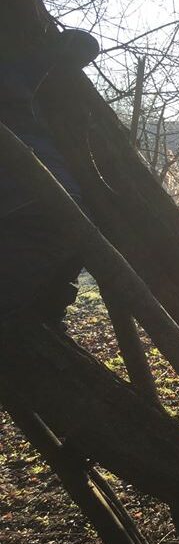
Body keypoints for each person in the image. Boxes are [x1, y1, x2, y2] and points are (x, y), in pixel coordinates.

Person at [0, 29, 100, 324]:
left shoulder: (11, 76)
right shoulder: (15, 76)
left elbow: (81, 46)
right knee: (46, 300)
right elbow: (81, 46)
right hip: (65, 207)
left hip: (26, 210)